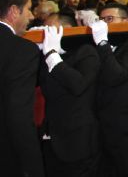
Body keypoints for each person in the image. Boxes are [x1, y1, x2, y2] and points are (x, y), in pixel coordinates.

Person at [90, 3, 128, 176]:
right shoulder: (100, 47)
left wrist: (102, 43)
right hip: (104, 124)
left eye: (109, 19)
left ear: (126, 21)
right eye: (101, 20)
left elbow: (117, 75)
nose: (104, 24)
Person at [39, 23, 101, 176]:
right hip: (50, 137)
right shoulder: (48, 56)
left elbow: (78, 85)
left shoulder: (86, 52)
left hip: (77, 141)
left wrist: (52, 54)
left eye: (52, 29)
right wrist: (38, 50)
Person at [0, 0, 46, 177]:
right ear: (13, 11)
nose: (31, 16)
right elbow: (18, 111)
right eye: (27, 9)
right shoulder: (22, 50)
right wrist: (32, 165)